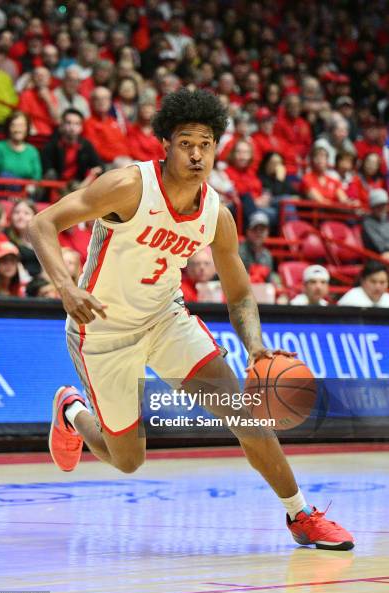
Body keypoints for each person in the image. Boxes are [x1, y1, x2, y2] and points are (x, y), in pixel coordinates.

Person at [28, 88, 353, 551]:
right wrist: (66, 286)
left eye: (205, 143)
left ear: (217, 147)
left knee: (247, 417)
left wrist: (255, 345)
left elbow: (238, 291)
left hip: (165, 321)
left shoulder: (216, 214)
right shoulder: (128, 185)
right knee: (127, 460)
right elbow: (40, 223)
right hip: (101, 330)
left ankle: (300, 514)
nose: (196, 153)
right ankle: (71, 410)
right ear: (165, 144)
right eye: (186, 142)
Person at [41, 109, 102, 184]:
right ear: (62, 125)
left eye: (77, 124)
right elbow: (47, 172)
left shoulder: (86, 146)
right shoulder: (51, 146)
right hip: (57, 187)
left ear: (81, 127)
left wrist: (92, 174)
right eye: (68, 123)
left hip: (79, 187)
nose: (72, 127)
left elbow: (99, 167)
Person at [0, 111, 42, 181]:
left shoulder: (32, 151)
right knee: (5, 175)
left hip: (26, 190)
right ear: (8, 128)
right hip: (2, 189)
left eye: (21, 126)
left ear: (27, 128)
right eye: (13, 125)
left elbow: (37, 177)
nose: (17, 129)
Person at [83, 87, 131, 165]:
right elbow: (95, 150)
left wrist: (127, 156)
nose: (102, 102)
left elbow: (124, 143)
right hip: (107, 163)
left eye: (105, 98)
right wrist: (116, 157)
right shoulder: (88, 124)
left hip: (125, 159)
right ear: (91, 102)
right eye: (97, 99)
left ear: (110, 101)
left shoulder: (114, 121)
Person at [18, 66, 60, 135]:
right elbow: (23, 117)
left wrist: (48, 101)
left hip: (49, 134)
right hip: (33, 134)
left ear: (49, 80)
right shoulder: (26, 94)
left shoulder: (52, 96)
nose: (40, 78)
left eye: (44, 76)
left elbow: (57, 121)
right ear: (33, 79)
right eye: (37, 75)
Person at [5, 199, 41, 278]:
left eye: (26, 213)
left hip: (40, 282)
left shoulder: (42, 239)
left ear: (35, 216)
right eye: (17, 212)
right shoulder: (5, 237)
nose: (20, 216)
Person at [238, 211, 277, 284]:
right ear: (248, 231)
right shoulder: (238, 252)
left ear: (267, 232)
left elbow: (269, 281)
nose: (258, 233)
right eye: (255, 229)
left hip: (261, 292)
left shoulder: (267, 255)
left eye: (262, 230)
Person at [361, 189, 389, 259]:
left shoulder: (386, 219)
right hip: (376, 257)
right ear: (372, 207)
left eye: (383, 205)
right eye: (378, 206)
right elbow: (381, 246)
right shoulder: (367, 223)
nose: (381, 208)